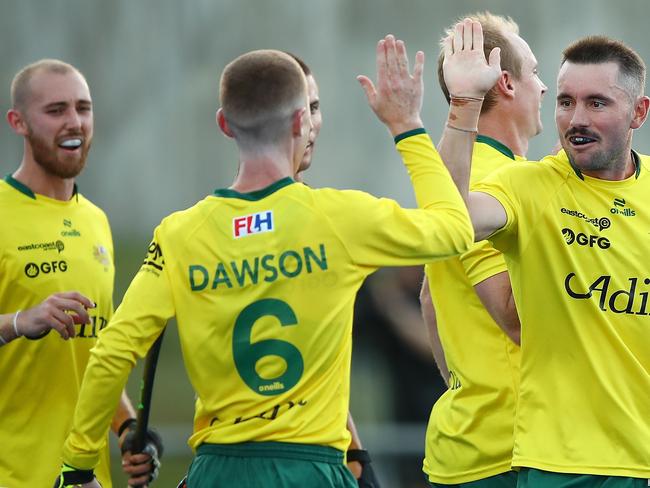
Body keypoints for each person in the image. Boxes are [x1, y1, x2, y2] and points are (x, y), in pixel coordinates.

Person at [58, 34, 501, 487]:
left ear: (224, 124)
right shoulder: (339, 217)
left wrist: (77, 465)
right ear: (299, 124)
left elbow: (113, 352)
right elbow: (454, 229)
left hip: (218, 469)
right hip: (310, 470)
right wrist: (406, 125)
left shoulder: (179, 234)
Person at [442, 28, 650, 487]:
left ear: (639, 112)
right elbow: (451, 217)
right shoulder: (529, 186)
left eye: (597, 103)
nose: (576, 118)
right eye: (565, 101)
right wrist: (465, 106)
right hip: (560, 465)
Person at [0, 59, 160, 488]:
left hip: (83, 479)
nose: (74, 122)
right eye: (55, 111)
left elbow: (95, 358)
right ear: (18, 122)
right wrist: (18, 322)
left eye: (83, 108)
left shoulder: (96, 221)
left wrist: (127, 428)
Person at [419, 13, 546, 487]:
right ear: (508, 84)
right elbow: (513, 317)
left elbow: (430, 301)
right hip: (508, 449)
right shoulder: (494, 178)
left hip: (471, 439)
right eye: (534, 72)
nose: (545, 88)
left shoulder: (466, 168)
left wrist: (469, 386)